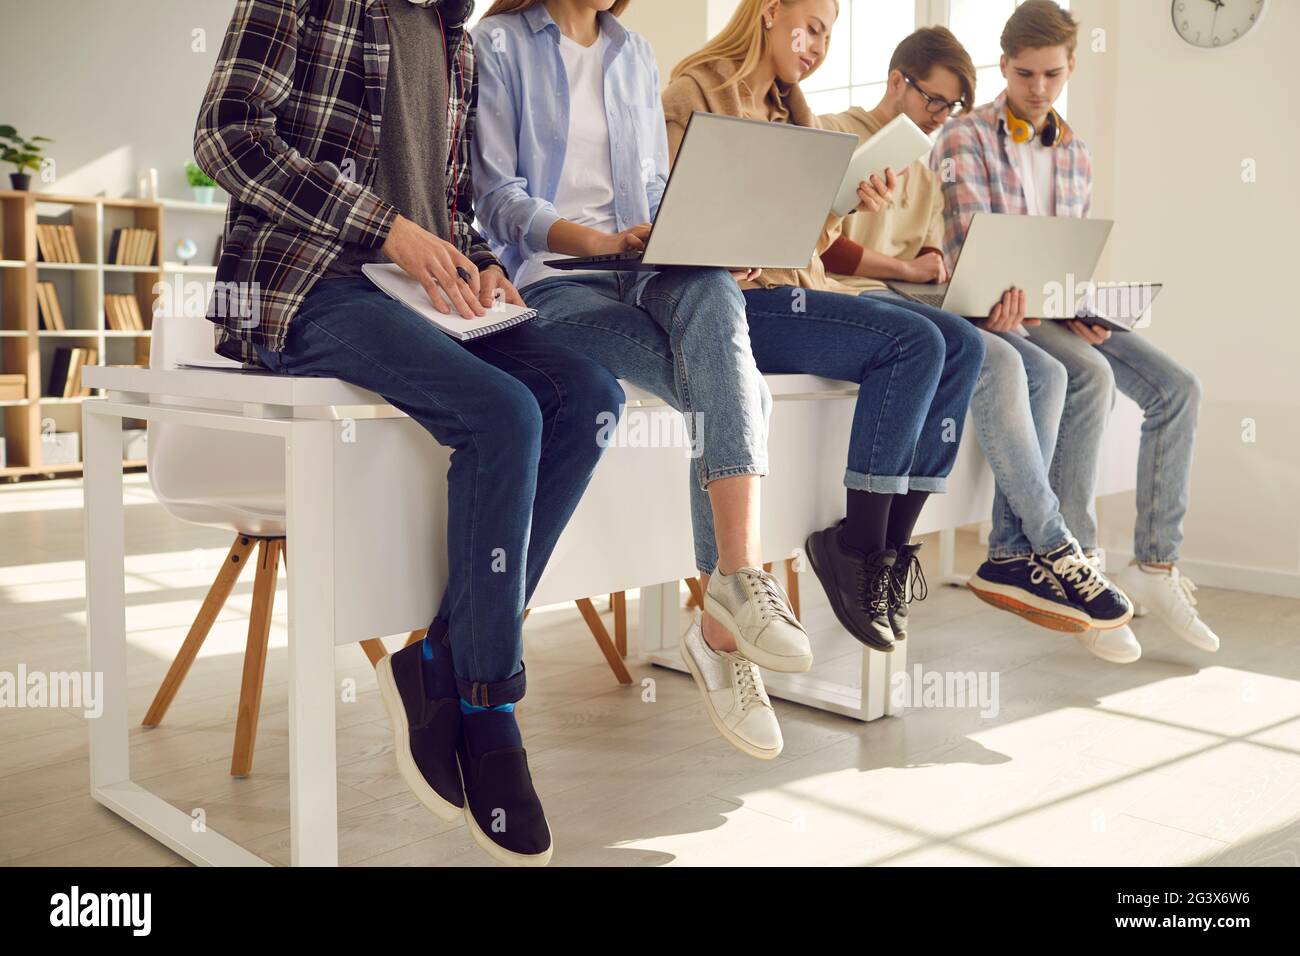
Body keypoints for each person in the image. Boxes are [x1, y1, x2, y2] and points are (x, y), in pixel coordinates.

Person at [194, 0, 627, 866]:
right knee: (502, 413)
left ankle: (436, 656)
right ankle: (487, 703)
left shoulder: (453, 39)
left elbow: (445, 207)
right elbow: (226, 137)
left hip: (423, 295)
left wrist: (482, 261)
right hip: (309, 281)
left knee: (588, 393)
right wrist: (386, 228)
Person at [471, 0, 808, 763]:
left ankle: (733, 591)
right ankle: (724, 623)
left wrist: (709, 239)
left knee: (720, 298)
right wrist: (595, 239)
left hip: (652, 267)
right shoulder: (495, 44)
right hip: (555, 281)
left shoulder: (637, 53)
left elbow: (656, 192)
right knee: (735, 389)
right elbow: (495, 194)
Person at [663, 0, 985, 652]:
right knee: (914, 340)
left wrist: (844, 207)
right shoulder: (694, 90)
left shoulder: (795, 113)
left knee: (963, 343)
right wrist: (746, 237)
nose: (815, 46)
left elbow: (803, 242)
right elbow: (676, 221)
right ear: (770, 12)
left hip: (796, 290)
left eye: (828, 36)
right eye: (809, 27)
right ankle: (855, 546)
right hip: (736, 304)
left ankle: (888, 550)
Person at [819, 26, 1133, 654]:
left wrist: (935, 270)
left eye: (953, 108)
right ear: (895, 81)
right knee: (988, 356)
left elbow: (932, 248)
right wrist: (909, 269)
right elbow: (822, 245)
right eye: (933, 101)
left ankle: (1011, 551)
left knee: (1046, 371)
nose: (941, 118)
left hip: (917, 303)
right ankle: (1050, 540)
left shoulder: (926, 170)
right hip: (851, 303)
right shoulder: (833, 130)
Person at [932, 0, 1219, 660]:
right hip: (996, 313)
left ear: (1070, 68)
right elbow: (976, 253)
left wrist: (1082, 301)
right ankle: (1079, 559)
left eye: (1053, 75)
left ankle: (1154, 567)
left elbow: (1063, 253)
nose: (1038, 89)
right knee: (1085, 374)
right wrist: (1026, 300)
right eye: (1026, 74)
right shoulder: (963, 139)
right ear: (1003, 66)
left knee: (1179, 388)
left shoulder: (1078, 155)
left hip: (1057, 307)